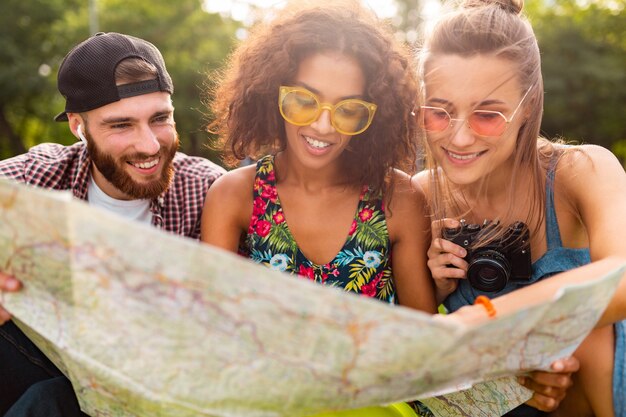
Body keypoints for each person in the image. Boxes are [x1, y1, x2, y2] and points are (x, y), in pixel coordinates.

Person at [200, 1, 575, 415]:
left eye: (349, 110)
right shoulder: (234, 196)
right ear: (272, 94)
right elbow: (216, 336)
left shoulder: (396, 199)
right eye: (304, 101)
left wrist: (522, 375)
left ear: (374, 115)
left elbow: (425, 339)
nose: (323, 126)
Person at [413, 0, 626, 416]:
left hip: (600, 391)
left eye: (487, 115)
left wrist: (478, 322)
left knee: (587, 320)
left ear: (527, 106)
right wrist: (433, 289)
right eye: (439, 112)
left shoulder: (579, 170)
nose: (458, 139)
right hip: (500, 402)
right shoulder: (419, 195)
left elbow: (621, 275)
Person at [0, 32, 225, 416]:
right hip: (53, 365)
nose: (150, 145)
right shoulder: (32, 180)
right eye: (121, 125)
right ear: (78, 127)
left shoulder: (208, 190)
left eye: (160, 118)